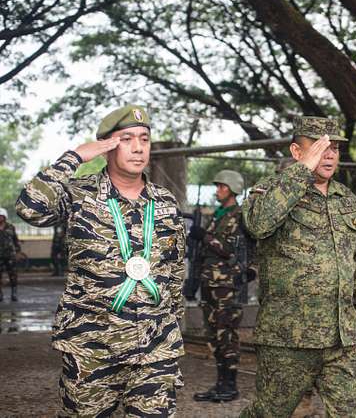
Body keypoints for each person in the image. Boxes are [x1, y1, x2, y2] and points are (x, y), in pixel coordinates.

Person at [16, 104, 186, 417]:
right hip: (92, 346)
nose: (138, 148)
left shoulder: (165, 200)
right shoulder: (78, 195)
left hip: (155, 346)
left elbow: (175, 270)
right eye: (126, 139)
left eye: (144, 139)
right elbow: (30, 208)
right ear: (106, 146)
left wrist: (173, 324)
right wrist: (76, 157)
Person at [240, 116, 356, 417]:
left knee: (352, 413)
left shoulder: (347, 200)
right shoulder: (270, 191)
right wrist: (300, 173)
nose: (329, 155)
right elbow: (258, 225)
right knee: (269, 412)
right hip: (289, 338)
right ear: (296, 152)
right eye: (319, 147)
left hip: (343, 336)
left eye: (334, 149)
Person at [192, 169, 249, 403]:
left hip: (227, 285)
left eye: (221, 186)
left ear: (232, 189)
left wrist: (204, 236)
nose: (217, 190)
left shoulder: (239, 215)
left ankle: (231, 385)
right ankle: (220, 383)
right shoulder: (219, 214)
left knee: (227, 335)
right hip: (211, 282)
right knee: (213, 335)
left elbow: (230, 250)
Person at [0, 208, 24, 301]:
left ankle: (14, 293)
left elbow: (15, 240)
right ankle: (0, 294)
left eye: (1, 216)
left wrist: (18, 252)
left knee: (13, 275)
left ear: (5, 217)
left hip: (10, 255)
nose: (0, 218)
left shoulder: (10, 227)